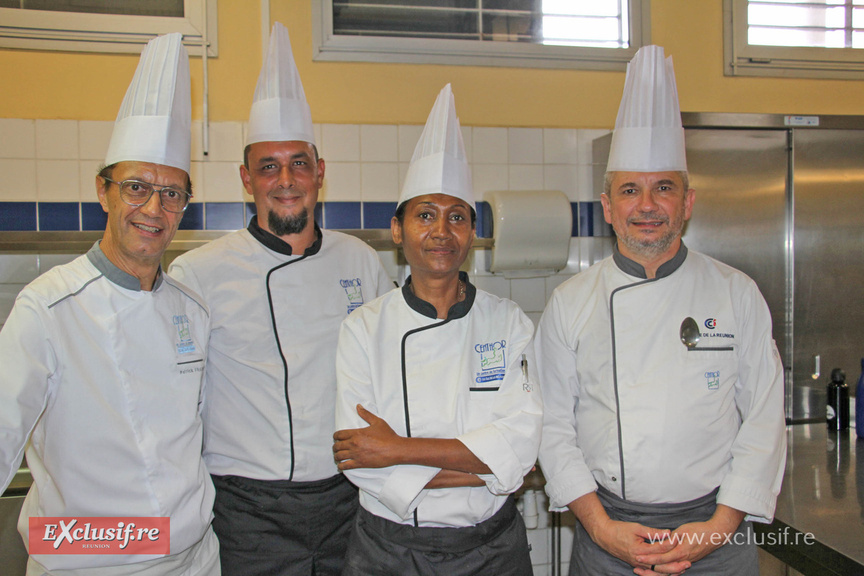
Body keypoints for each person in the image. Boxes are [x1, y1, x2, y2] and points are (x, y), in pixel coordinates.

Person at [536, 45, 786, 576]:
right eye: (630, 190)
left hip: (718, 530)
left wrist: (716, 527)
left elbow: (763, 420)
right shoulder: (570, 303)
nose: (646, 206)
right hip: (608, 529)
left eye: (663, 189)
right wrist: (603, 529)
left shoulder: (736, 292)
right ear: (608, 207)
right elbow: (552, 427)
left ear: (687, 203)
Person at [168, 23, 391, 576]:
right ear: (246, 179)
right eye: (269, 166)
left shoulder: (360, 261)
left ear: (320, 172)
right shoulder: (197, 273)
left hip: (348, 498)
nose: (285, 178)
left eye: (298, 162)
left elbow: (394, 367)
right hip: (247, 510)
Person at [0, 34, 219, 576]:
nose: (154, 207)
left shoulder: (191, 309)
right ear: (104, 192)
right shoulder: (48, 308)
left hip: (194, 558)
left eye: (172, 193)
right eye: (137, 187)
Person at [333, 84, 542, 576]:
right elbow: (360, 463)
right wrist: (486, 467)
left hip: (492, 548)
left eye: (456, 218)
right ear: (398, 229)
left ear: (471, 233)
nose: (441, 231)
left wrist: (397, 451)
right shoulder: (363, 328)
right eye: (425, 215)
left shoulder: (508, 321)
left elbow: (523, 449)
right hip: (388, 549)